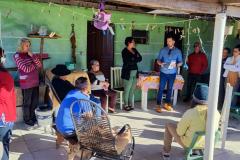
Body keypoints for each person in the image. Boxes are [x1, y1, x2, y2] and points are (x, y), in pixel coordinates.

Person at [161, 84, 220, 159]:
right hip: (207, 148)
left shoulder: (191, 112)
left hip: (191, 147)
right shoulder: (216, 112)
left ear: (194, 98)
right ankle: (195, 152)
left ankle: (166, 152)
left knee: (168, 125)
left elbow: (179, 132)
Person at [56, 77, 100, 141]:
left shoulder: (70, 92)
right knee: (93, 125)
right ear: (86, 87)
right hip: (69, 131)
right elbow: (90, 117)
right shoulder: (83, 98)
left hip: (59, 126)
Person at [14, 38, 42, 126]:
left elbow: (40, 65)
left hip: (35, 81)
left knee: (35, 101)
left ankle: (33, 117)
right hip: (26, 83)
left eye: (29, 45)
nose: (28, 47)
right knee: (27, 102)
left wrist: (33, 57)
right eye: (26, 45)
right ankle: (27, 119)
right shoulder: (17, 56)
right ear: (21, 46)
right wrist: (34, 65)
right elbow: (26, 69)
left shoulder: (30, 54)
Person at [156, 36, 182, 113]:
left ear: (173, 42)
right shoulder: (163, 50)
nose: (168, 43)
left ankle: (167, 104)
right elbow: (158, 60)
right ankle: (158, 105)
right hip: (163, 72)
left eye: (169, 41)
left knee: (170, 89)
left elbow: (181, 62)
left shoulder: (178, 51)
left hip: (172, 73)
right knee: (161, 88)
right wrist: (160, 63)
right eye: (167, 41)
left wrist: (176, 65)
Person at [0, 48, 17, 160]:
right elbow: (3, 97)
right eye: (3, 55)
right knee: (3, 143)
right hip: (3, 115)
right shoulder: (5, 77)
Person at [121, 37, 142, 111]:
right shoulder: (124, 51)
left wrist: (134, 59)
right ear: (129, 43)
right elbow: (127, 62)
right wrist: (135, 59)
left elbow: (140, 58)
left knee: (132, 89)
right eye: (133, 42)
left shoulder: (134, 50)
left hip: (135, 72)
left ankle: (130, 104)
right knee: (127, 89)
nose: (134, 43)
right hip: (127, 73)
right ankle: (125, 104)